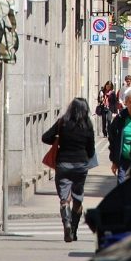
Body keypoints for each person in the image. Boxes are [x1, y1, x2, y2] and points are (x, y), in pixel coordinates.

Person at [41, 97, 95, 243]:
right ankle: (74, 231)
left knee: (64, 199)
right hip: (81, 166)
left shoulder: (62, 123)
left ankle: (67, 223)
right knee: (78, 198)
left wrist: (58, 139)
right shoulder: (88, 126)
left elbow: (45, 137)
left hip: (63, 164)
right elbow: (91, 151)